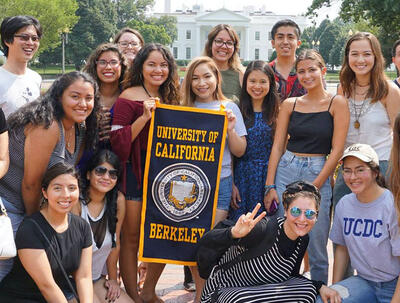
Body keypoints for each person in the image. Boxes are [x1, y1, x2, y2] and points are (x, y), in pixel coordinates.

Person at [0, 71, 100, 280]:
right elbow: (31, 184)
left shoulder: (80, 127)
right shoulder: (48, 125)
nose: (83, 103)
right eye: (75, 96)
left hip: (32, 206)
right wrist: (36, 227)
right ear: (59, 96)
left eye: (88, 98)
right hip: (9, 207)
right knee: (6, 270)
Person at [264, 49, 349, 284]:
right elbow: (278, 146)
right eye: (301, 71)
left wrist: (317, 185)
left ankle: (319, 291)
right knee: (284, 237)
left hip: (318, 169)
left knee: (317, 241)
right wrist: (270, 184)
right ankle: (282, 290)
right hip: (287, 169)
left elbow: (338, 149)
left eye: (312, 70)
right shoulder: (290, 104)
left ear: (322, 71)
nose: (307, 75)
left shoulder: (336, 103)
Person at [110, 43, 180, 303]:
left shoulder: (172, 96)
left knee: (159, 233)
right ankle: (134, 294)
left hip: (163, 177)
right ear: (141, 66)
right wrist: (144, 117)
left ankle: (148, 289)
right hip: (134, 175)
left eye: (163, 65)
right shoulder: (129, 96)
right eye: (151, 64)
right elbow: (117, 142)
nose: (158, 70)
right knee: (131, 236)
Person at [199, 181, 340, 303]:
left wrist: (319, 286)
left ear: (316, 216)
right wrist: (233, 233)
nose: (302, 219)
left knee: (308, 290)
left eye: (309, 213)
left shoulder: (302, 239)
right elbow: (207, 241)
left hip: (260, 292)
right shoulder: (262, 229)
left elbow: (290, 278)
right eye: (296, 211)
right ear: (285, 211)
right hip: (225, 293)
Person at [181, 56, 247, 302]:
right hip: (188, 186)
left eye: (207, 76)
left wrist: (230, 129)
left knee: (209, 242)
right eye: (195, 78)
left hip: (220, 183)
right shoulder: (183, 108)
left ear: (216, 78)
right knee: (192, 243)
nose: (201, 83)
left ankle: (211, 294)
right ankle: (201, 296)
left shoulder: (229, 107)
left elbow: (240, 150)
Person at [316, 144, 400, 303]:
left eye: (360, 170)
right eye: (347, 170)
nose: (353, 177)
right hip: (364, 282)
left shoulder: (392, 205)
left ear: (375, 172)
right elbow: (342, 248)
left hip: (394, 284)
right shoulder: (344, 205)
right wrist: (335, 288)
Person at [0, 163, 93, 302]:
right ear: (45, 192)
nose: (66, 195)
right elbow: (47, 286)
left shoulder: (82, 227)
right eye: (57, 188)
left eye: (72, 188)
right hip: (21, 298)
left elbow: (84, 277)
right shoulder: (30, 229)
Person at [333, 32, 400, 217]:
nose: (360, 59)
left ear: (376, 57)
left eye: (367, 54)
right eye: (354, 54)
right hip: (349, 169)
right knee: (345, 226)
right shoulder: (343, 88)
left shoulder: (389, 90)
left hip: (381, 167)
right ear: (347, 57)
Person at [72, 149, 133, 303]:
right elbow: (71, 251)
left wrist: (113, 279)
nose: (106, 177)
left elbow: (115, 243)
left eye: (113, 174)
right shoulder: (76, 202)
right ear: (88, 174)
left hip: (96, 278)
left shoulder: (118, 200)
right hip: (71, 279)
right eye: (100, 171)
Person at [230, 60, 279, 221]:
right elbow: (229, 151)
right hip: (242, 176)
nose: (257, 86)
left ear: (270, 84)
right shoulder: (237, 110)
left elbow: (280, 149)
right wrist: (231, 183)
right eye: (252, 81)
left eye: (263, 82)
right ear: (245, 84)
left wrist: (271, 185)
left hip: (269, 176)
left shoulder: (277, 112)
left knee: (266, 227)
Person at [83, 43, 128, 145]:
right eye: (102, 62)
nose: (108, 67)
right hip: (87, 154)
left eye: (113, 62)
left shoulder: (129, 96)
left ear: (122, 65)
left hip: (120, 156)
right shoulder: (85, 95)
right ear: (95, 65)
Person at [0, 15, 42, 117]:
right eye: (24, 38)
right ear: (7, 40)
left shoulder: (36, 78)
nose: (30, 43)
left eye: (35, 38)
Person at [203, 24, 244, 104]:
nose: (224, 46)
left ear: (234, 48)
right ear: (210, 45)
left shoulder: (241, 75)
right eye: (219, 41)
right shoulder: (197, 72)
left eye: (229, 43)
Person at [269, 19, 306, 102]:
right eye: (280, 37)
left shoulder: (309, 71)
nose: (285, 42)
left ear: (298, 43)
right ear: (273, 43)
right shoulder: (266, 72)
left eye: (290, 37)